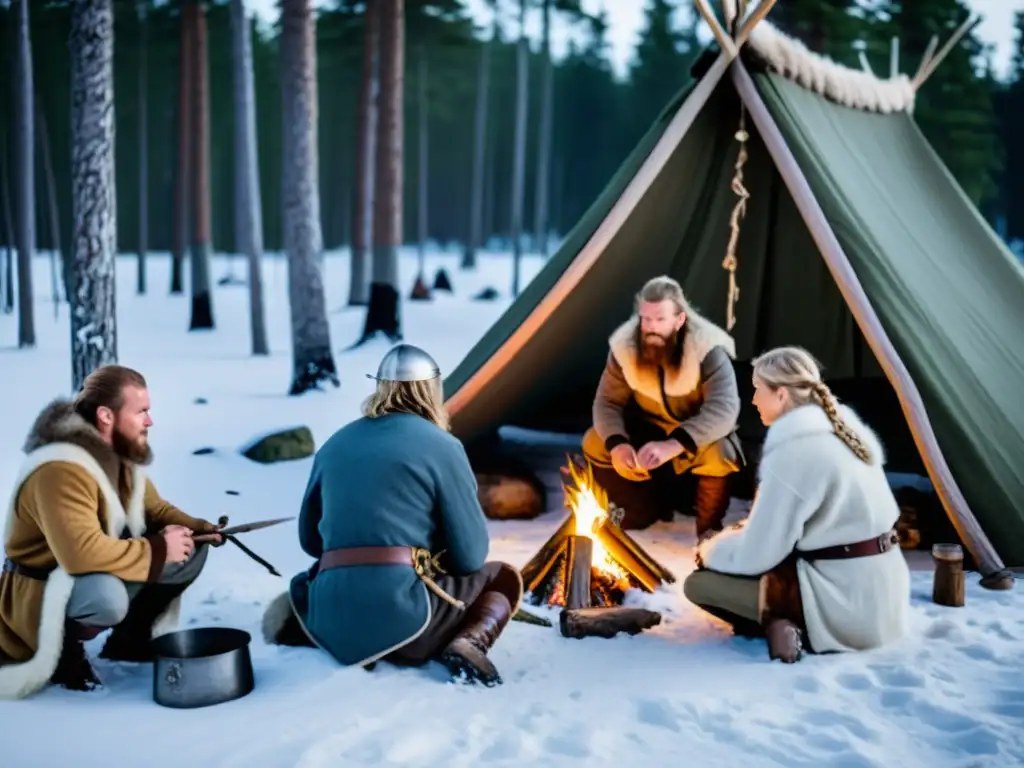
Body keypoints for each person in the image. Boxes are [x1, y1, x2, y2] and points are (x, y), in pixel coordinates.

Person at [261, 344, 523, 687]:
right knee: (502, 577)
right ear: (432, 390)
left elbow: (311, 543)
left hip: (330, 618)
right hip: (409, 625)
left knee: (314, 586)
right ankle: (469, 643)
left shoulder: (334, 444)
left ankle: (326, 624)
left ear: (380, 386)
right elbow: (470, 557)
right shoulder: (443, 446)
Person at [0, 365, 224, 698]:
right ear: (106, 415)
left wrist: (201, 529)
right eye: (142, 411)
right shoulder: (60, 469)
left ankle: (131, 642)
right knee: (107, 597)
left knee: (191, 549)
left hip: (81, 572)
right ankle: (63, 653)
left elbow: (155, 510)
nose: (150, 422)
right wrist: (158, 550)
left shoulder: (117, 456)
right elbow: (80, 554)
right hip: (42, 591)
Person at [683, 346, 911, 663]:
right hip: (887, 603)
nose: (752, 401)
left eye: (757, 390)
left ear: (781, 395)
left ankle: (787, 623)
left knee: (699, 584)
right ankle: (783, 616)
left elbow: (759, 553)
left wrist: (709, 549)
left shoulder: (794, 452)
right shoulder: (846, 432)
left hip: (847, 611)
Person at [583, 275, 744, 537]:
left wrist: (674, 444)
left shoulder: (707, 349)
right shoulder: (626, 348)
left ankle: (708, 531)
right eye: (646, 319)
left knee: (721, 452)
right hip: (647, 435)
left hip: (692, 440)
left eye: (660, 320)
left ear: (679, 320)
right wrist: (618, 443)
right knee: (595, 441)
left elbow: (725, 409)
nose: (651, 328)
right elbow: (607, 402)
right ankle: (632, 511)